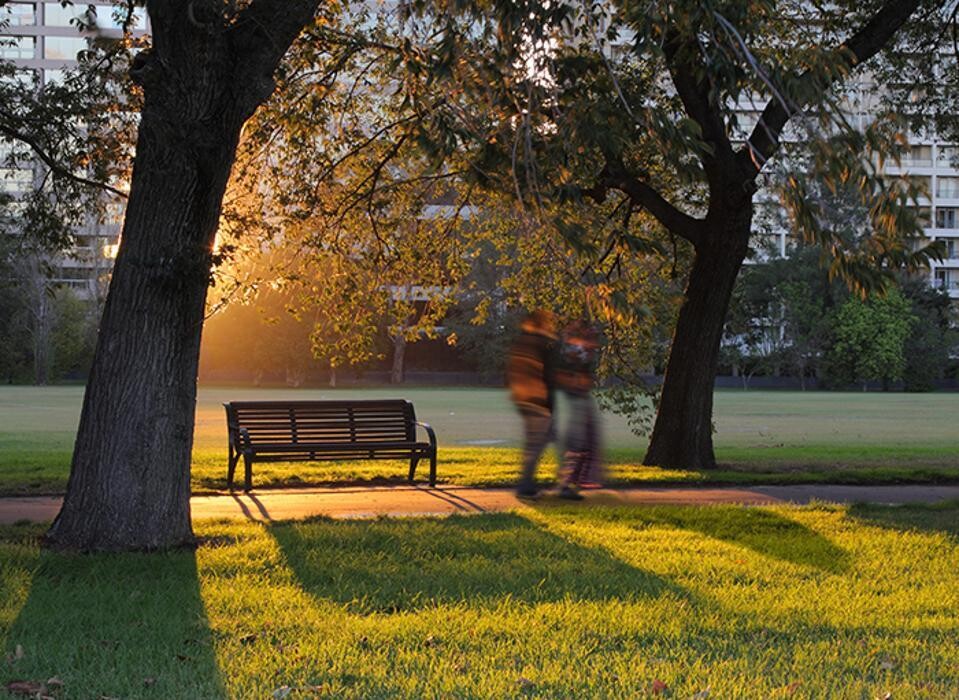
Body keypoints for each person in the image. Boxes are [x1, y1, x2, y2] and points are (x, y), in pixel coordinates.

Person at [507, 310, 558, 498]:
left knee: (538, 442)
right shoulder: (541, 344)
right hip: (538, 401)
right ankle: (527, 485)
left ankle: (529, 483)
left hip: (525, 400)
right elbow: (547, 375)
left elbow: (512, 373)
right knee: (539, 443)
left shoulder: (522, 342)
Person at [555, 320, 602, 499]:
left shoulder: (578, 349)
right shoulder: (573, 350)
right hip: (576, 398)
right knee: (578, 442)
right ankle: (566, 484)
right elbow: (572, 370)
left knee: (585, 441)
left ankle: (574, 480)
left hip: (580, 398)